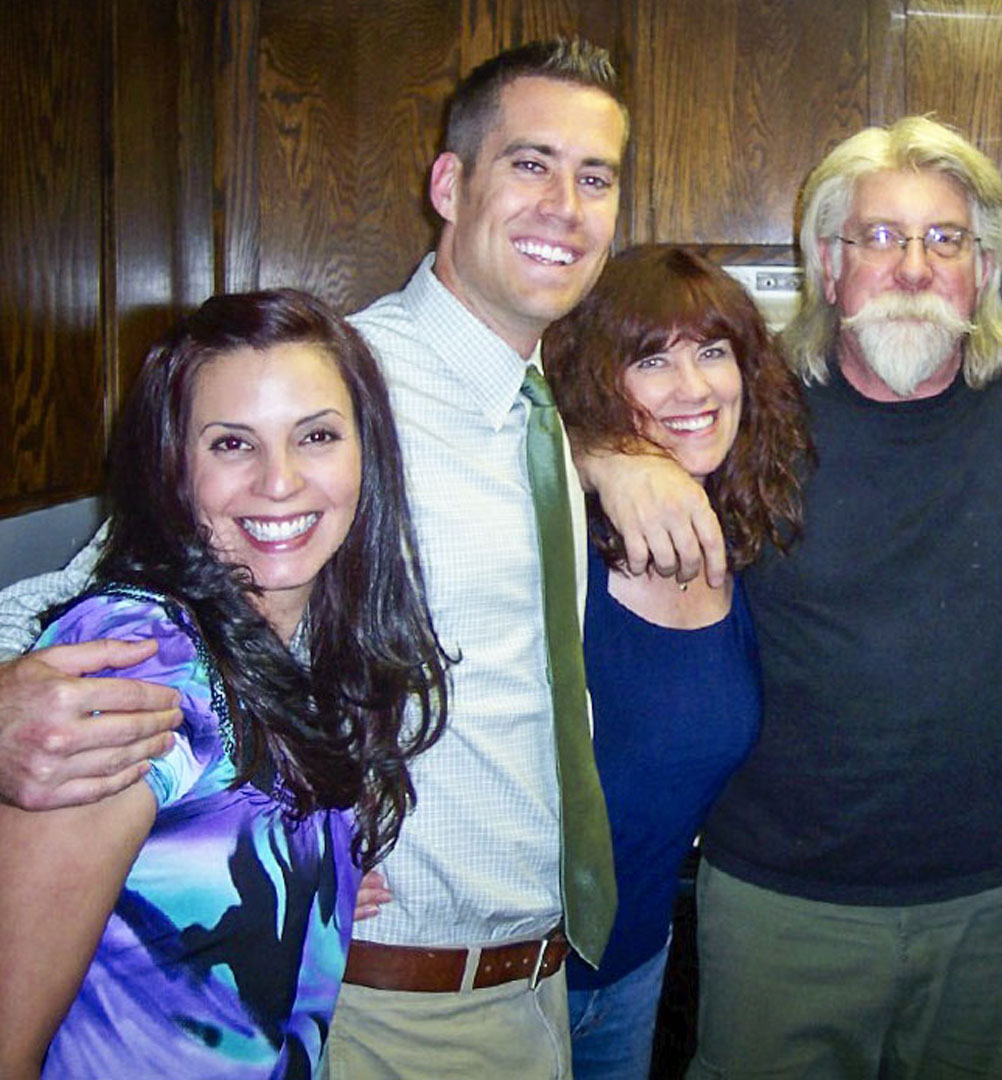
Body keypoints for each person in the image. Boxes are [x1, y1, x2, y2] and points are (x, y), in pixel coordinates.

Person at [0, 37, 635, 1077]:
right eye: (530, 163)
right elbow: (86, 593)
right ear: (448, 183)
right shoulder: (327, 390)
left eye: (595, 177)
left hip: (533, 984)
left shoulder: (536, 416)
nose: (565, 204)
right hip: (387, 999)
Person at [652, 116, 1002, 1077]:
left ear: (984, 267)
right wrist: (608, 459)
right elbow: (573, 397)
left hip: (990, 905)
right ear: (827, 261)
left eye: (945, 240)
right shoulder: (741, 410)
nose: (914, 267)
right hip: (778, 903)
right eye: (881, 238)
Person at [0, 289, 449, 1078]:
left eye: (315, 436)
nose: (279, 483)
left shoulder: (290, 652)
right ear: (172, 467)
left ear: (365, 454)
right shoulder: (147, 659)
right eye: (232, 444)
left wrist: (315, 868)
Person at [540, 245, 808, 1078]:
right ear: (596, 380)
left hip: (632, 971)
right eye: (651, 359)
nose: (692, 388)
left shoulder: (740, 542)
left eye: (712, 352)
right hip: (513, 983)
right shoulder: (550, 538)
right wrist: (587, 450)